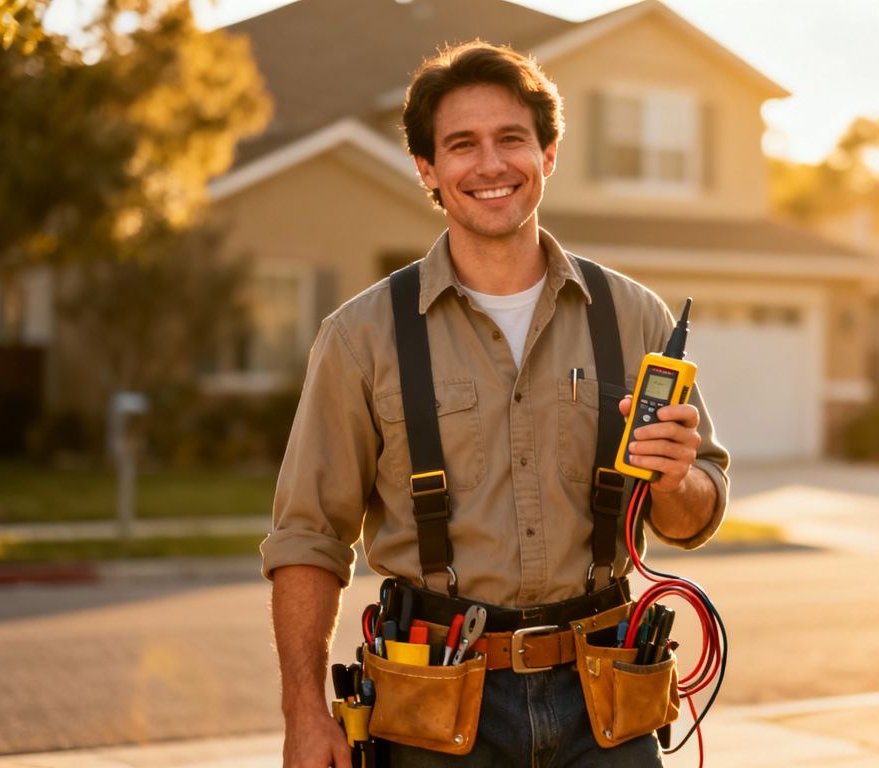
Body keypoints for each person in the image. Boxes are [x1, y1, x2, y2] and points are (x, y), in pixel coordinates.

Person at [262, 40, 729, 768]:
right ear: (428, 170)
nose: (490, 165)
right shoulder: (361, 337)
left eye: (512, 138)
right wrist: (304, 713)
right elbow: (307, 538)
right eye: (461, 145)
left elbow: (695, 515)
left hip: (607, 706)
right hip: (433, 709)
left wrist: (676, 482)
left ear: (547, 154)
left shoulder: (633, 317)